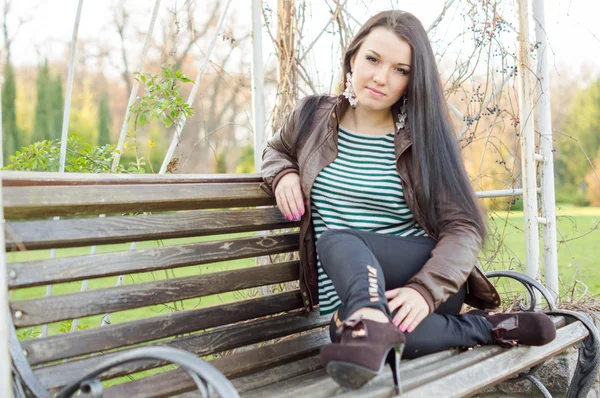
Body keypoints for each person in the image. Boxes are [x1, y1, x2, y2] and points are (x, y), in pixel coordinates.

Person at [261, 9, 556, 393]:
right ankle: (481, 327)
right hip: (351, 297)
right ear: (352, 58)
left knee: (338, 238)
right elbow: (275, 151)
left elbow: (464, 227)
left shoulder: (423, 138)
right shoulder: (310, 116)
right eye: (372, 59)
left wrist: (425, 290)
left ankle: (371, 320)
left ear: (412, 81)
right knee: (345, 335)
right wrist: (282, 173)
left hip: (421, 284)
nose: (381, 77)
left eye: (400, 69)